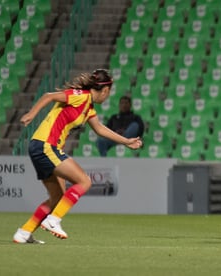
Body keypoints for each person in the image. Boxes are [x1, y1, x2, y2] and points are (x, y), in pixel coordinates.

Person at [13, 69, 143, 244]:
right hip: (46, 146)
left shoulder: (88, 107)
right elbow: (49, 96)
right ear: (105, 90)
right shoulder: (80, 96)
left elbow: (100, 129)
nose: (107, 96)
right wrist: (31, 114)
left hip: (41, 146)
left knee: (57, 198)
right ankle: (54, 220)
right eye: (108, 92)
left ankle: (24, 232)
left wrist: (126, 141)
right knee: (84, 182)